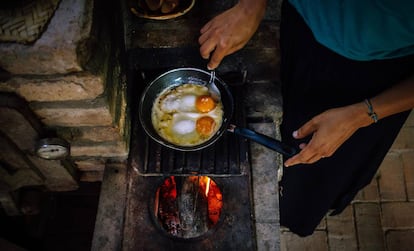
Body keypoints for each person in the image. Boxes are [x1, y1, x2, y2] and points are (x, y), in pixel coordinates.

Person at [199, 0, 414, 236]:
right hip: (302, 21)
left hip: (375, 76)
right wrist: (252, 4)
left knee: (319, 167)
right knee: (290, 121)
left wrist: (364, 114)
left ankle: (296, 210)